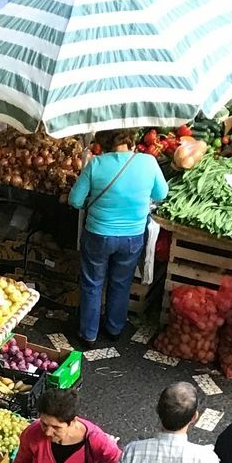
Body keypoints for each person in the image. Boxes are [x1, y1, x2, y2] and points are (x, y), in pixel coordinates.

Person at [67, 128, 169, 343]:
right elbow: (161, 194)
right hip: (132, 236)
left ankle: (88, 333)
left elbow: (75, 200)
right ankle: (114, 328)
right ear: (130, 138)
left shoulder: (96, 164)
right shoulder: (148, 162)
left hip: (98, 234)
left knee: (92, 283)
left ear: (104, 141)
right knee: (121, 282)